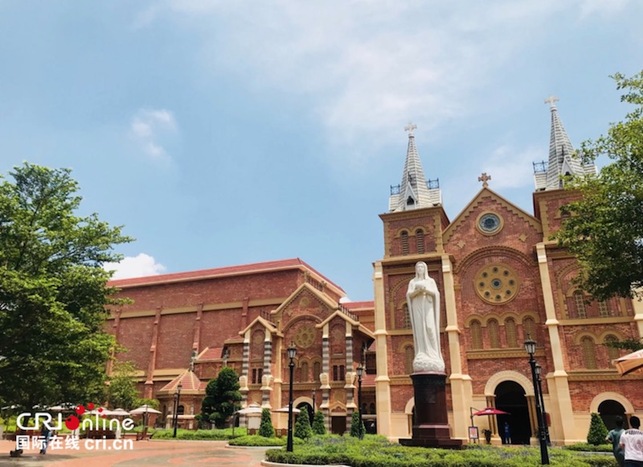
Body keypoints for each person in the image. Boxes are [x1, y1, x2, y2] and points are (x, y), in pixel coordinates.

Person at [406, 261, 444, 373]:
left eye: (421, 267)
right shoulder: (412, 282)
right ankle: (421, 352)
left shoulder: (430, 281)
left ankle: (433, 353)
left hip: (428, 307)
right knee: (419, 330)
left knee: (429, 328)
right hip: (417, 306)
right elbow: (409, 295)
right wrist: (417, 291)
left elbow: (436, 294)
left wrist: (425, 290)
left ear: (425, 269)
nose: (419, 269)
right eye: (418, 267)